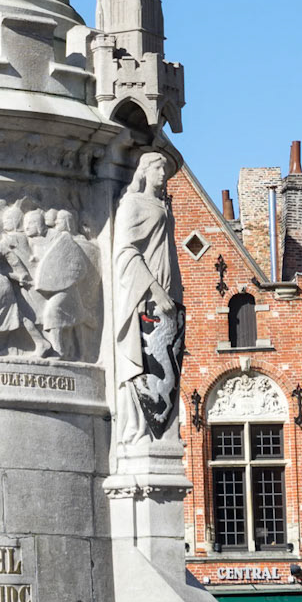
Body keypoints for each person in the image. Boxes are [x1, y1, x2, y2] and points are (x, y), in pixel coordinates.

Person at [113, 150, 185, 444]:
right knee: (144, 360)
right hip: (146, 295)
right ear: (144, 171)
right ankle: (139, 428)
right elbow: (126, 251)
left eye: (166, 170)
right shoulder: (132, 204)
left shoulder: (161, 204)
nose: (163, 175)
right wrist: (154, 288)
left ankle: (159, 427)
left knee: (167, 358)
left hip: (169, 295)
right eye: (158, 169)